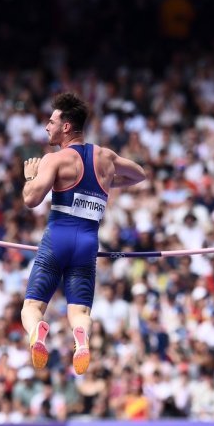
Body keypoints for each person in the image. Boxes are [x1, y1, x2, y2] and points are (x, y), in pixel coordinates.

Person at [21, 92, 146, 375]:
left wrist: (30, 176)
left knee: (32, 307)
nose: (47, 127)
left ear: (66, 126)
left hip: (58, 238)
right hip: (88, 243)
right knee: (79, 312)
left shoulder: (55, 159)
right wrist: (107, 183)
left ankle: (38, 331)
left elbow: (30, 200)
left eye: (51, 122)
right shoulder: (105, 156)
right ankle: (82, 339)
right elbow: (139, 174)